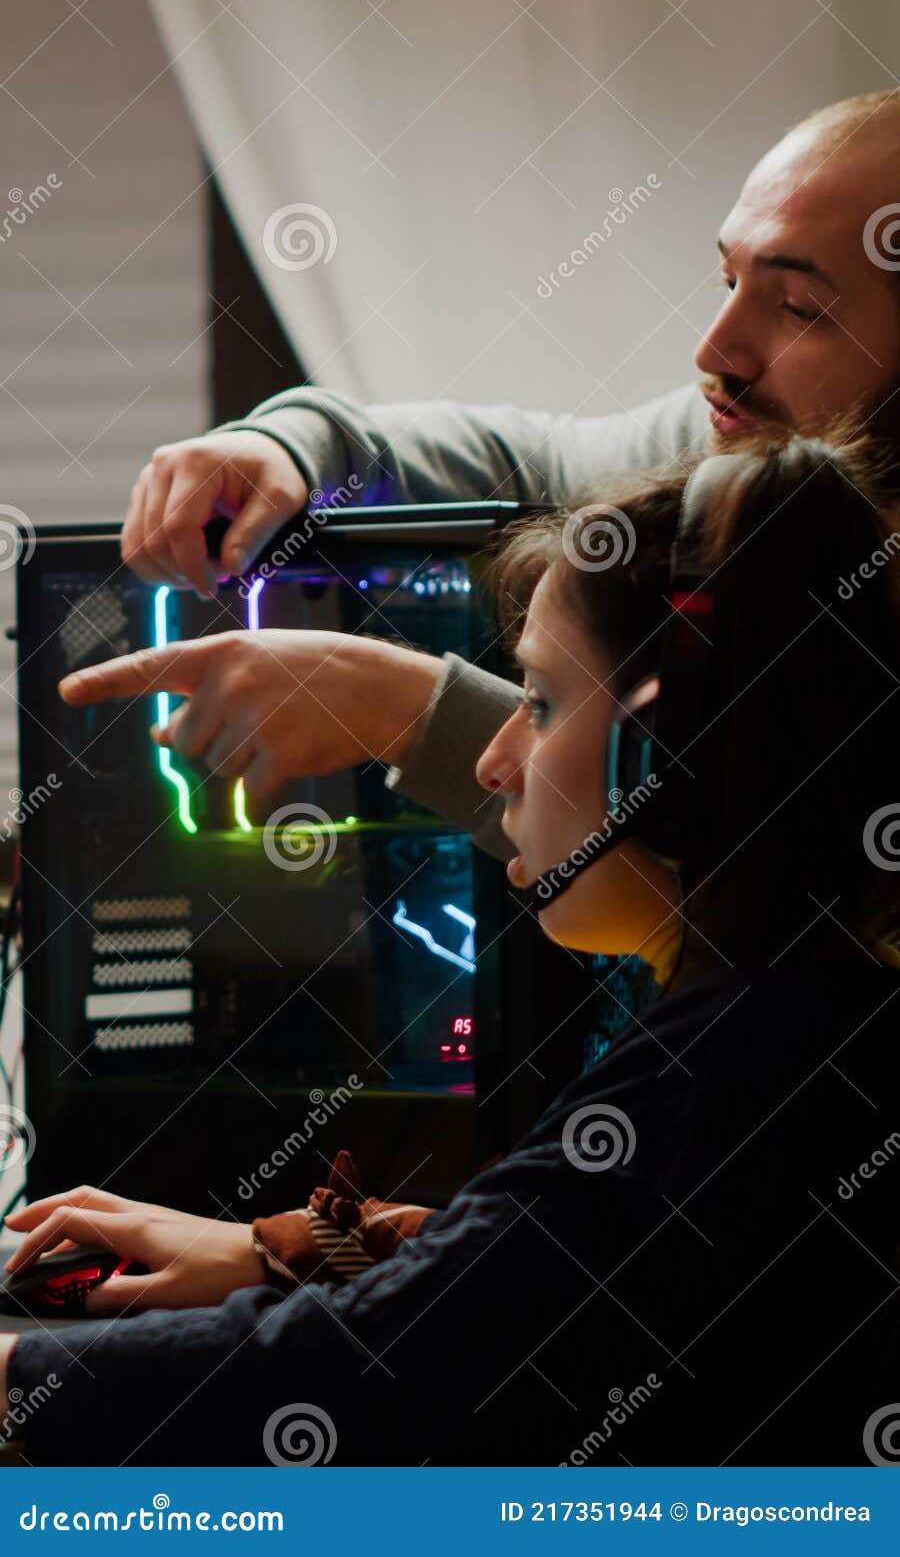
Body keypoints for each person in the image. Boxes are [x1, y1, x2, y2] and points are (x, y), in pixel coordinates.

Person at [2, 433, 899, 1465]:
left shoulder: (731, 1068)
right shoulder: (804, 1017)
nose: (493, 759)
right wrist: (274, 1249)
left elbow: (379, 1369)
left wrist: (17, 1377)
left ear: (673, 757)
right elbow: (532, 1274)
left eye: (542, 702)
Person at [59, 90, 900, 859]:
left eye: (799, 310)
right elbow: (531, 466)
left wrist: (405, 709)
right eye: (726, 278)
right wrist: (291, 446)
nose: (713, 352)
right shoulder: (733, 446)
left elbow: (762, 862)